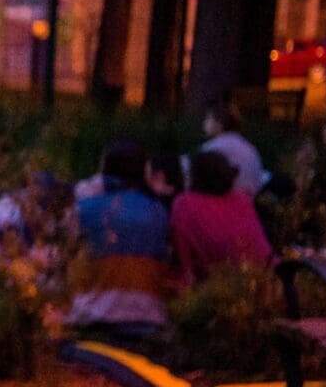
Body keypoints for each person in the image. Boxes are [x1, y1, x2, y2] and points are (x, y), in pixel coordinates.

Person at [64, 139, 171, 336]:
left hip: (93, 315)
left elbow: (66, 253)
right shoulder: (159, 211)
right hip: (149, 316)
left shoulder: (84, 208)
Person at [170, 149, 274, 285]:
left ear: (195, 176)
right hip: (270, 277)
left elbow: (185, 264)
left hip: (227, 289)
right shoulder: (242, 200)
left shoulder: (185, 204)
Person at [200, 102, 264, 196]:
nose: (204, 122)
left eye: (208, 118)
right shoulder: (248, 147)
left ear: (218, 122)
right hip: (247, 202)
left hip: (223, 202)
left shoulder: (213, 148)